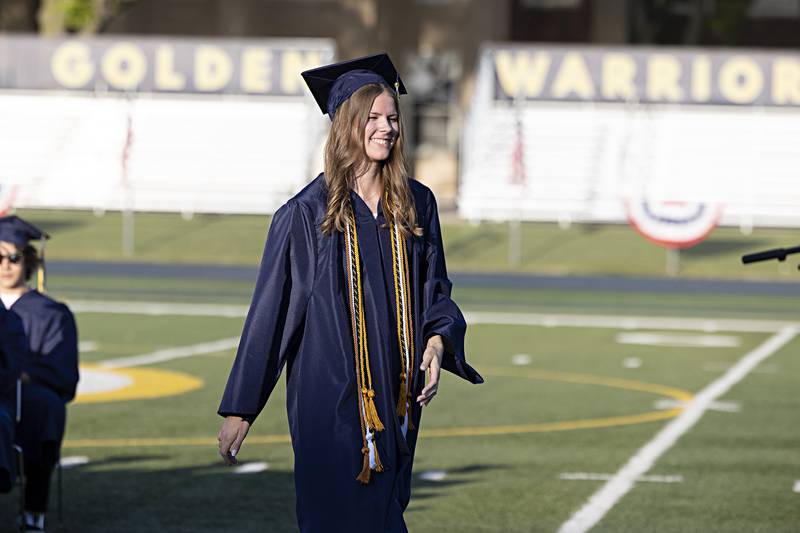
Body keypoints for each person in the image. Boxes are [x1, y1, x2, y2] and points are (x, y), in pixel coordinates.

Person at [217, 53, 483, 532]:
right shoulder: (305, 215)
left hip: (398, 395)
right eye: (374, 118)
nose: (387, 128)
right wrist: (242, 407)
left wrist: (438, 341)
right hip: (331, 399)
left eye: (393, 118)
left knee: (384, 512)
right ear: (346, 125)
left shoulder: (416, 204)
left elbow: (436, 287)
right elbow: (271, 315)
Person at [0, 215, 79, 533]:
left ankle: (34, 509)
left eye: (14, 257)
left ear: (28, 261)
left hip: (26, 391)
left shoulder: (51, 313)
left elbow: (59, 368)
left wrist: (19, 373)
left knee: (45, 407)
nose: (5, 265)